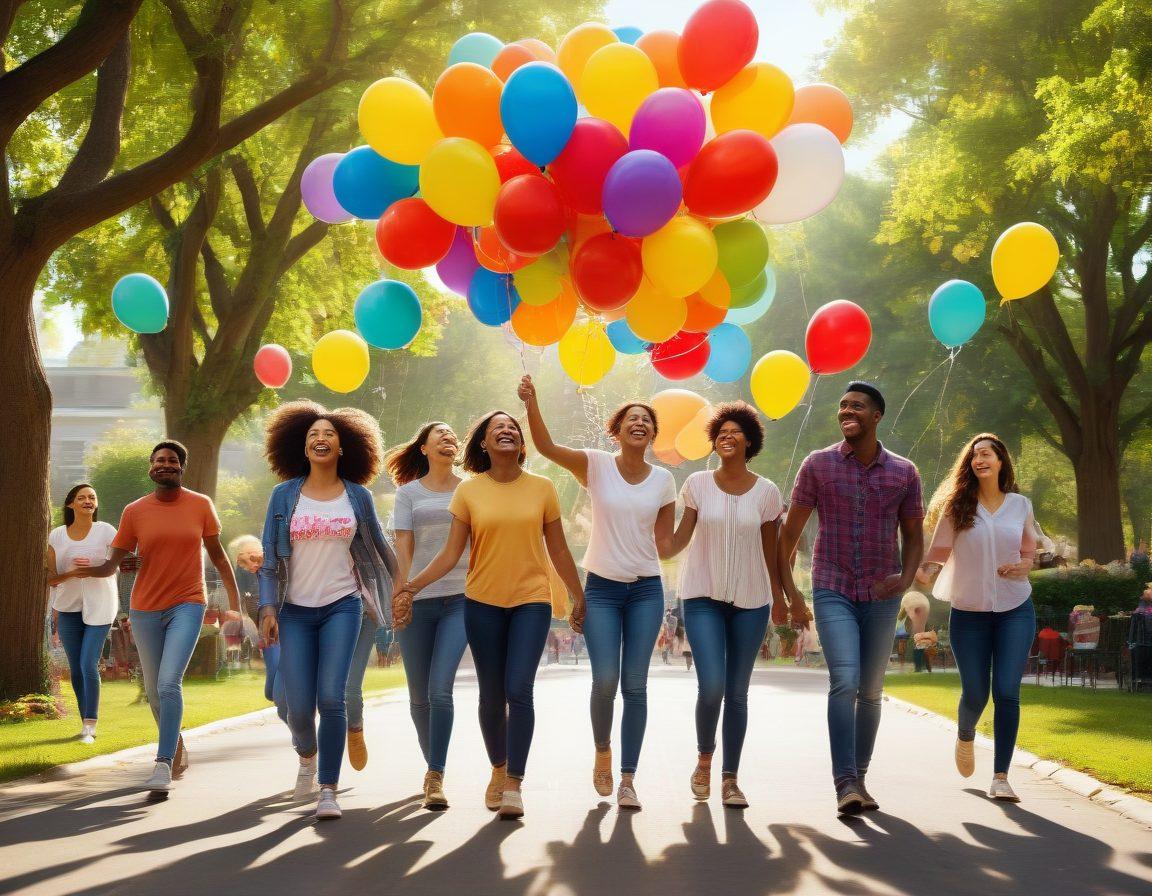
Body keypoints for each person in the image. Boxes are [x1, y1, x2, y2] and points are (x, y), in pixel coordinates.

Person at [396, 409, 585, 820]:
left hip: (531, 600)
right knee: (491, 693)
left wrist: (577, 594)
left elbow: (558, 550)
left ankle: (515, 783)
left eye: (513, 428)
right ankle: (498, 768)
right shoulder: (469, 492)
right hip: (481, 602)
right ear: (483, 443)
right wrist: (411, 586)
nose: (507, 430)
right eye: (497, 427)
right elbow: (450, 554)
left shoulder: (543, 488)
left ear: (521, 443)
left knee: (519, 689)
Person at [518, 375, 676, 811]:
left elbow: (666, 545)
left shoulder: (665, 482)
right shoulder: (595, 464)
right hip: (603, 588)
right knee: (605, 679)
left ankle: (628, 778)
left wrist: (702, 520)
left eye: (646, 419)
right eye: (631, 418)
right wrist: (531, 402)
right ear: (618, 429)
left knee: (636, 685)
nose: (639, 422)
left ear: (652, 433)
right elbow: (547, 448)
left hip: (646, 589)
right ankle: (602, 751)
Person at [780, 382, 924, 815]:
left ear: (876, 415)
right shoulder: (818, 465)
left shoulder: (904, 472)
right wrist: (788, 594)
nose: (847, 410)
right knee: (844, 679)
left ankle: (859, 777)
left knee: (872, 689)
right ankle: (844, 782)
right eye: (842, 405)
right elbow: (788, 534)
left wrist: (905, 578)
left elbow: (914, 537)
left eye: (857, 406)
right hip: (832, 586)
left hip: (881, 591)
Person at [257, 401, 397, 821]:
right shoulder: (283, 496)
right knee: (298, 706)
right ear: (302, 448)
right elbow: (268, 558)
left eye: (329, 435)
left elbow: (379, 550)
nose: (321, 439)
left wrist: (404, 591)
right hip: (294, 610)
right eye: (313, 435)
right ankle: (306, 757)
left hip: (343, 605)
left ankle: (328, 789)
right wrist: (266, 607)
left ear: (343, 447)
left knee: (331, 698)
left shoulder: (358, 496)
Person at [666, 402, 810, 809]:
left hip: (751, 601)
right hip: (701, 596)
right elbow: (678, 540)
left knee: (738, 692)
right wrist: (651, 541)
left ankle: (731, 779)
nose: (726, 437)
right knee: (712, 685)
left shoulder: (767, 493)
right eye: (720, 432)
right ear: (714, 441)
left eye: (734, 432)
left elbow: (775, 553)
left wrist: (787, 598)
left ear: (750, 440)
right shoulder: (696, 484)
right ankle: (704, 760)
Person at [78, 442, 241, 793]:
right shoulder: (135, 511)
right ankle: (176, 744)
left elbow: (220, 557)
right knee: (154, 692)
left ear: (181, 467)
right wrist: (86, 570)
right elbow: (112, 564)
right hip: (145, 608)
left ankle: (162, 763)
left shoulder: (200, 505)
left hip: (187, 602)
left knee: (168, 684)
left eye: (171, 460)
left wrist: (235, 605)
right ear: (151, 468)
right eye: (158, 460)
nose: (164, 464)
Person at [917, 433, 1036, 802]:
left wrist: (1023, 565)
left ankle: (1001, 776)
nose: (979, 459)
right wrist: (921, 573)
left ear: (1001, 461)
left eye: (987, 453)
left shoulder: (1020, 505)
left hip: (1015, 608)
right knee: (975, 691)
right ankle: (966, 734)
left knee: (1006, 691)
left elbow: (1030, 550)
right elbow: (936, 554)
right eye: (974, 455)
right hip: (969, 614)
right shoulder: (958, 506)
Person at [384, 421, 470, 811]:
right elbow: (403, 548)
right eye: (440, 434)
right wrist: (402, 595)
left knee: (439, 689)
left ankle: (436, 773)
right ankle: (431, 766)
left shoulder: (471, 488)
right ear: (424, 448)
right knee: (419, 696)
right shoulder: (408, 494)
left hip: (462, 597)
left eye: (453, 434)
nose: (448, 438)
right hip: (418, 599)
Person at [46, 484, 118, 744]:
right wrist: (73, 573)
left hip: (101, 605)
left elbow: (117, 564)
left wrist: (95, 568)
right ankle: (83, 722)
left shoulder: (106, 531)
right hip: (68, 608)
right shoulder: (56, 536)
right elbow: (52, 579)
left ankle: (91, 723)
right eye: (81, 498)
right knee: (76, 668)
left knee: (89, 663)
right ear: (70, 504)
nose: (88, 501)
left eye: (92, 497)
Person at [230, 535, 278, 703]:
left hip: (283, 624)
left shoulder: (273, 568)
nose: (253, 559)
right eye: (247, 554)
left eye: (255, 553)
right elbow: (241, 606)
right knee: (273, 681)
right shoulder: (242, 574)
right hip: (264, 632)